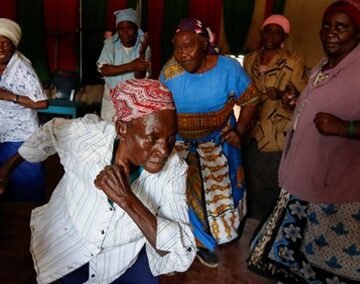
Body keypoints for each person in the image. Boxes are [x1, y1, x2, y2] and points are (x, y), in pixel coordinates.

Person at [0, 79, 196, 283]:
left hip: (121, 259)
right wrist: (8, 168)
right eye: (152, 138)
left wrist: (128, 200)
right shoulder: (86, 137)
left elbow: (181, 254)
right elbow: (50, 131)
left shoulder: (173, 170)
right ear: (122, 129)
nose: (164, 150)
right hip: (68, 242)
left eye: (171, 137)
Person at [247, 1, 360, 283]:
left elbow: (339, 120)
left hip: (335, 188)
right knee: (290, 257)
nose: (330, 33)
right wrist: (296, 103)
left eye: (341, 27)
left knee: (327, 264)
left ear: (357, 32)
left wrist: (344, 128)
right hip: (301, 176)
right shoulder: (323, 65)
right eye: (327, 25)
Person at [159, 18, 258, 267]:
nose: (182, 54)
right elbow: (160, 109)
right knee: (184, 185)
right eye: (177, 48)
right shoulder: (170, 72)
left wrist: (241, 130)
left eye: (189, 46)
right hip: (181, 141)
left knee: (220, 190)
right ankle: (200, 242)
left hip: (217, 138)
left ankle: (221, 233)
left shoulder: (228, 69)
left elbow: (250, 99)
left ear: (204, 43)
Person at [242, 15, 307, 221]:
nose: (270, 35)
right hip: (252, 130)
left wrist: (281, 95)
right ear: (261, 33)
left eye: (276, 32)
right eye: (267, 30)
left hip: (277, 130)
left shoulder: (293, 61)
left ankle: (265, 227)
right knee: (249, 179)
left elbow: (304, 97)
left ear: (284, 36)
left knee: (270, 182)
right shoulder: (250, 59)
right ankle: (249, 224)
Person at [0, 18, 48, 201]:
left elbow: (42, 103)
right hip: (2, 132)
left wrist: (9, 96)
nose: (1, 48)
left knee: (26, 186)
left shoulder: (23, 68)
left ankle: (29, 221)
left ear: (13, 45)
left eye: (6, 43)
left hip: (21, 134)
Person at [97, 8, 151, 121]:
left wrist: (141, 55)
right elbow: (105, 70)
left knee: (131, 132)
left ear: (136, 29)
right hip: (111, 100)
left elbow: (140, 77)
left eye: (129, 28)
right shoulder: (110, 44)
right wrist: (131, 65)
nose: (125, 33)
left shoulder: (144, 47)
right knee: (109, 132)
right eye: (121, 29)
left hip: (134, 100)